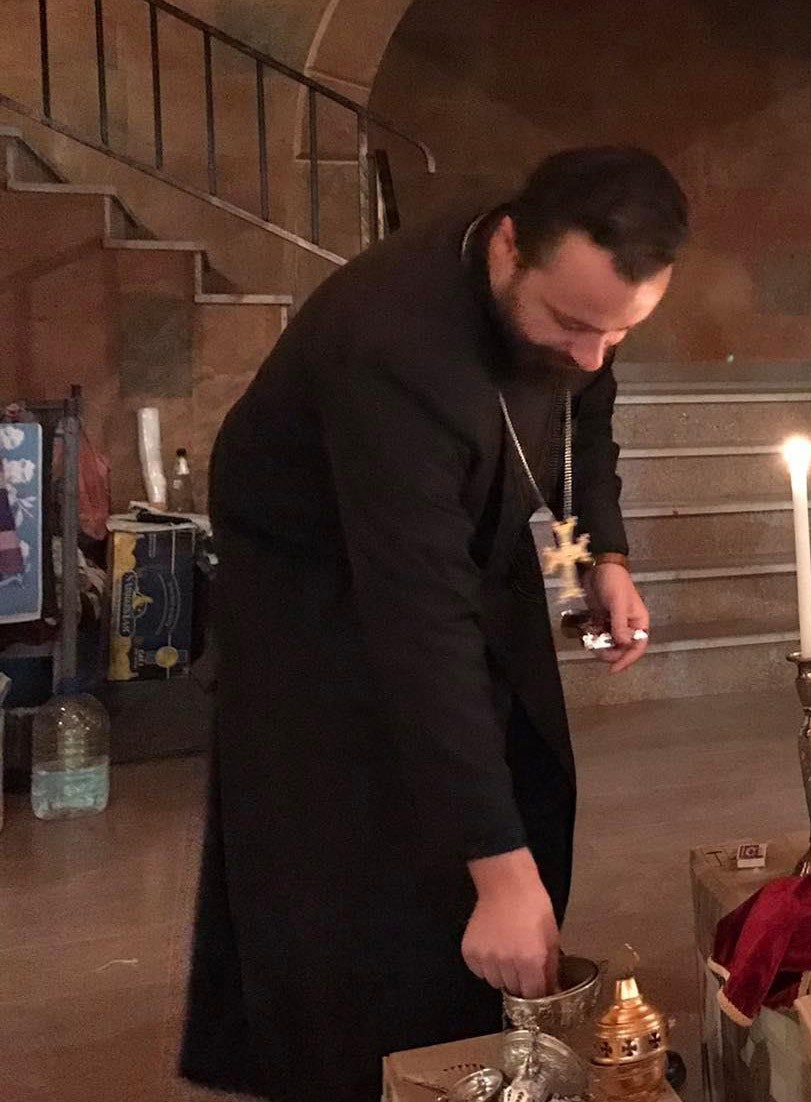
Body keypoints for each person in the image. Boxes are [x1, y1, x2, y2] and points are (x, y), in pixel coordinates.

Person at [180, 147, 681, 1100]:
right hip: (317, 590)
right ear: (509, 247)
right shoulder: (392, 347)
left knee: (525, 774)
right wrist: (498, 874)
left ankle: (481, 1036)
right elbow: (419, 623)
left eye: (620, 331)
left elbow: (582, 421)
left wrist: (598, 556)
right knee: (359, 860)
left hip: (462, 549)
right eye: (575, 325)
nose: (592, 354)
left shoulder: (578, 298)